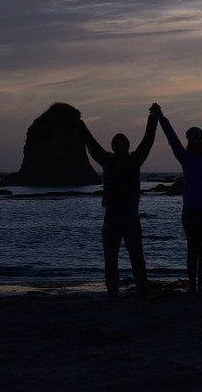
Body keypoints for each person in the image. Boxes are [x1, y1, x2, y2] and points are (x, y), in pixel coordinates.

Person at [78, 104, 159, 300]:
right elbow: (91, 143)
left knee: (137, 256)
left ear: (128, 146)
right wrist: (79, 124)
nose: (120, 145)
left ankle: (143, 289)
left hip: (131, 215)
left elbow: (148, 140)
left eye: (123, 143)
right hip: (111, 216)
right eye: (117, 143)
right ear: (113, 146)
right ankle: (112, 291)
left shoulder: (135, 160)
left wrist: (153, 118)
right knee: (110, 257)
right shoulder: (106, 160)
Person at [155, 97, 202, 292]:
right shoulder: (184, 156)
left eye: (201, 137)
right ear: (189, 140)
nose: (198, 140)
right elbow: (171, 137)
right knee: (193, 249)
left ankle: (200, 284)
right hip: (191, 211)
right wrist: (161, 117)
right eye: (195, 138)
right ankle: (192, 285)